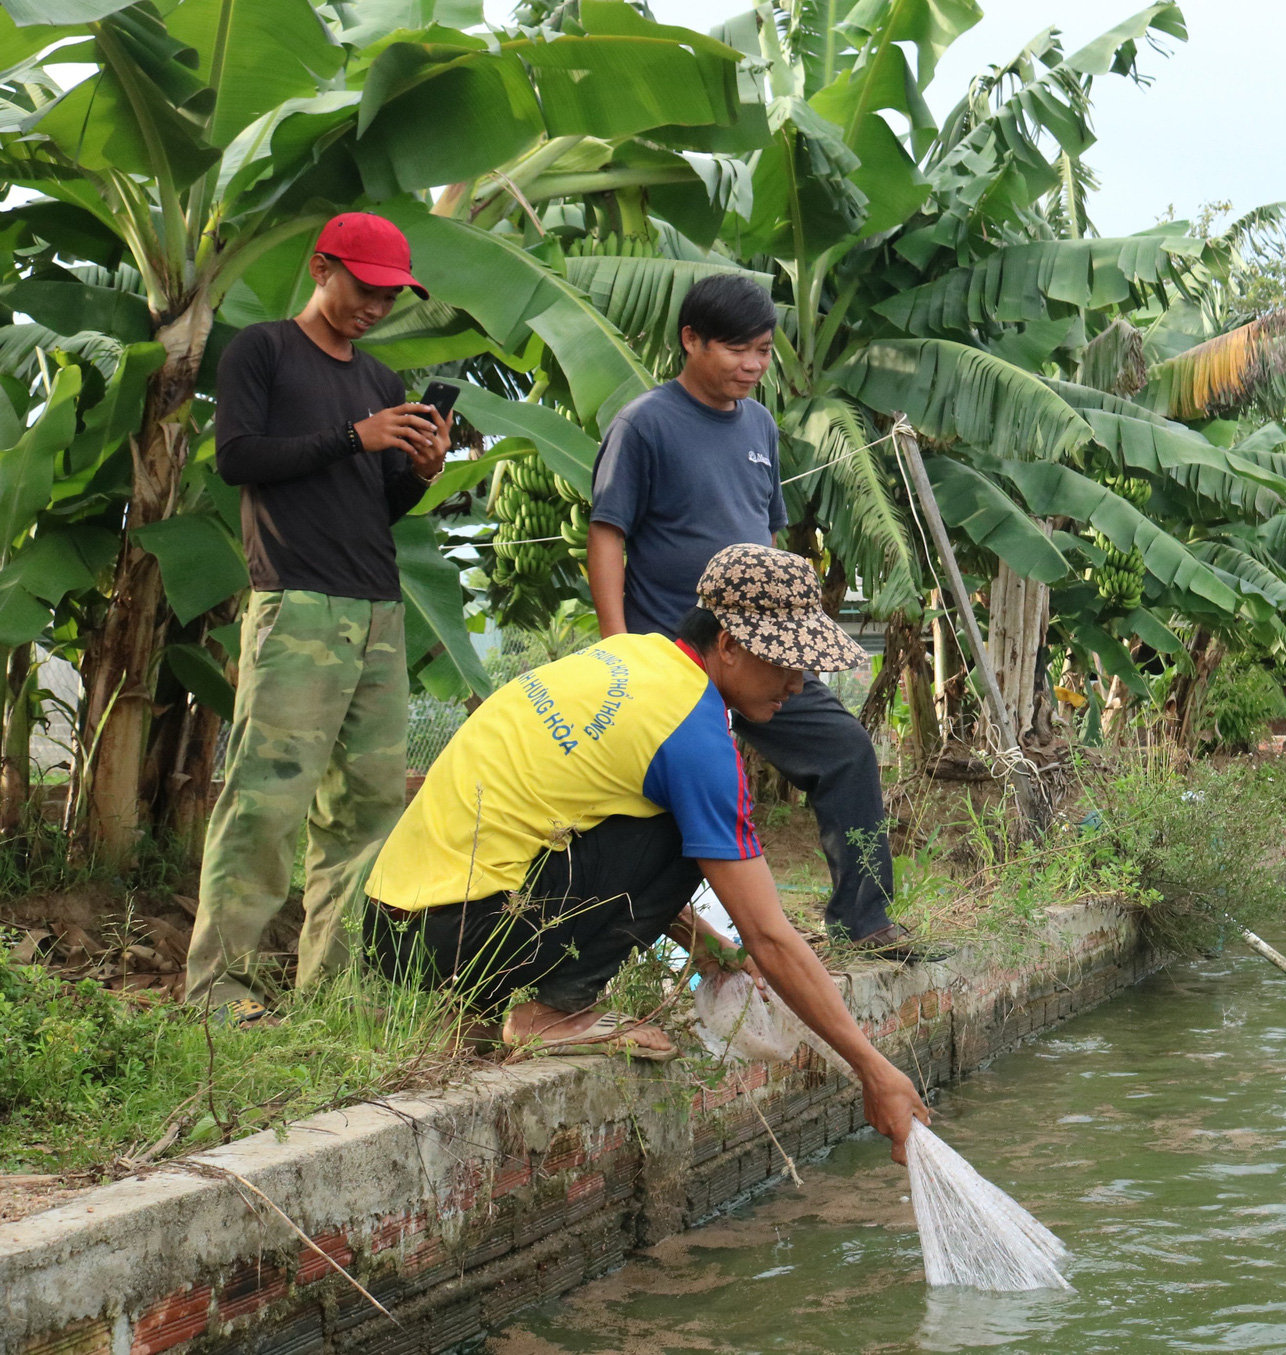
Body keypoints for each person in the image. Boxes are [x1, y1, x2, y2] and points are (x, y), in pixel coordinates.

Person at [361, 545, 930, 1159]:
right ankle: (548, 1016)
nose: (797, 684)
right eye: (783, 662)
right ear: (728, 645)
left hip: (396, 932)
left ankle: (475, 1011)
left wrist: (706, 945)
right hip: (463, 932)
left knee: (685, 822)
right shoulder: (694, 734)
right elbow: (769, 934)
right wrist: (873, 1070)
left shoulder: (635, 657)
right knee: (702, 831)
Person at [585, 273, 937, 961]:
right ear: (691, 340)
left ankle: (864, 924)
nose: (752, 365)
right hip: (673, 660)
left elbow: (767, 539)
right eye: (737, 350)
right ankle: (629, 952)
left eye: (764, 351)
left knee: (846, 752)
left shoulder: (760, 426)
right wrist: (616, 648)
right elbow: (607, 536)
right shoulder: (645, 424)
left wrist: (790, 638)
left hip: (758, 655)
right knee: (653, 813)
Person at [185, 213, 452, 1022]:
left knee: (366, 810)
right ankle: (214, 991)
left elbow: (383, 501)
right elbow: (239, 457)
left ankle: (331, 989)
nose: (376, 306)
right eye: (365, 289)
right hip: (295, 601)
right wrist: (352, 436)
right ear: (320, 266)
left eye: (389, 295)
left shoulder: (378, 379)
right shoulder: (260, 350)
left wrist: (418, 468)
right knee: (265, 801)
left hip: (376, 605)